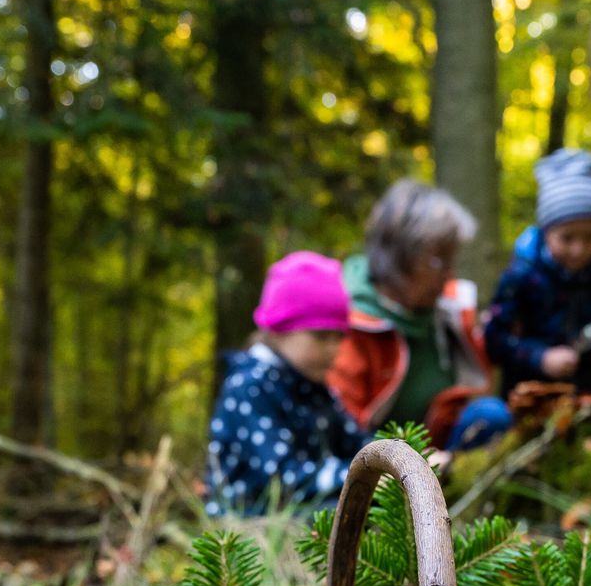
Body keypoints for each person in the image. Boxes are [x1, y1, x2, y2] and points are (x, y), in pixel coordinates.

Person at [328, 180, 500, 447]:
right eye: (438, 260)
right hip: (372, 464)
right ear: (397, 256)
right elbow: (340, 429)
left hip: (436, 456)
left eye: (453, 260)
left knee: (491, 417)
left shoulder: (448, 311)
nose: (449, 274)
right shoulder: (347, 320)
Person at [205, 252, 368, 517]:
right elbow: (282, 478)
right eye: (321, 336)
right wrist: (359, 475)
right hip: (247, 532)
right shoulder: (250, 387)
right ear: (280, 329)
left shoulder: (315, 388)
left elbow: (355, 442)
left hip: (305, 516)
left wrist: (401, 459)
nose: (333, 349)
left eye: (339, 336)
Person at [483, 147, 591, 395]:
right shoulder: (522, 275)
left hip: (585, 393)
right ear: (546, 230)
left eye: (590, 238)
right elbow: (494, 341)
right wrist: (540, 357)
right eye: (567, 238)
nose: (579, 250)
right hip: (525, 394)